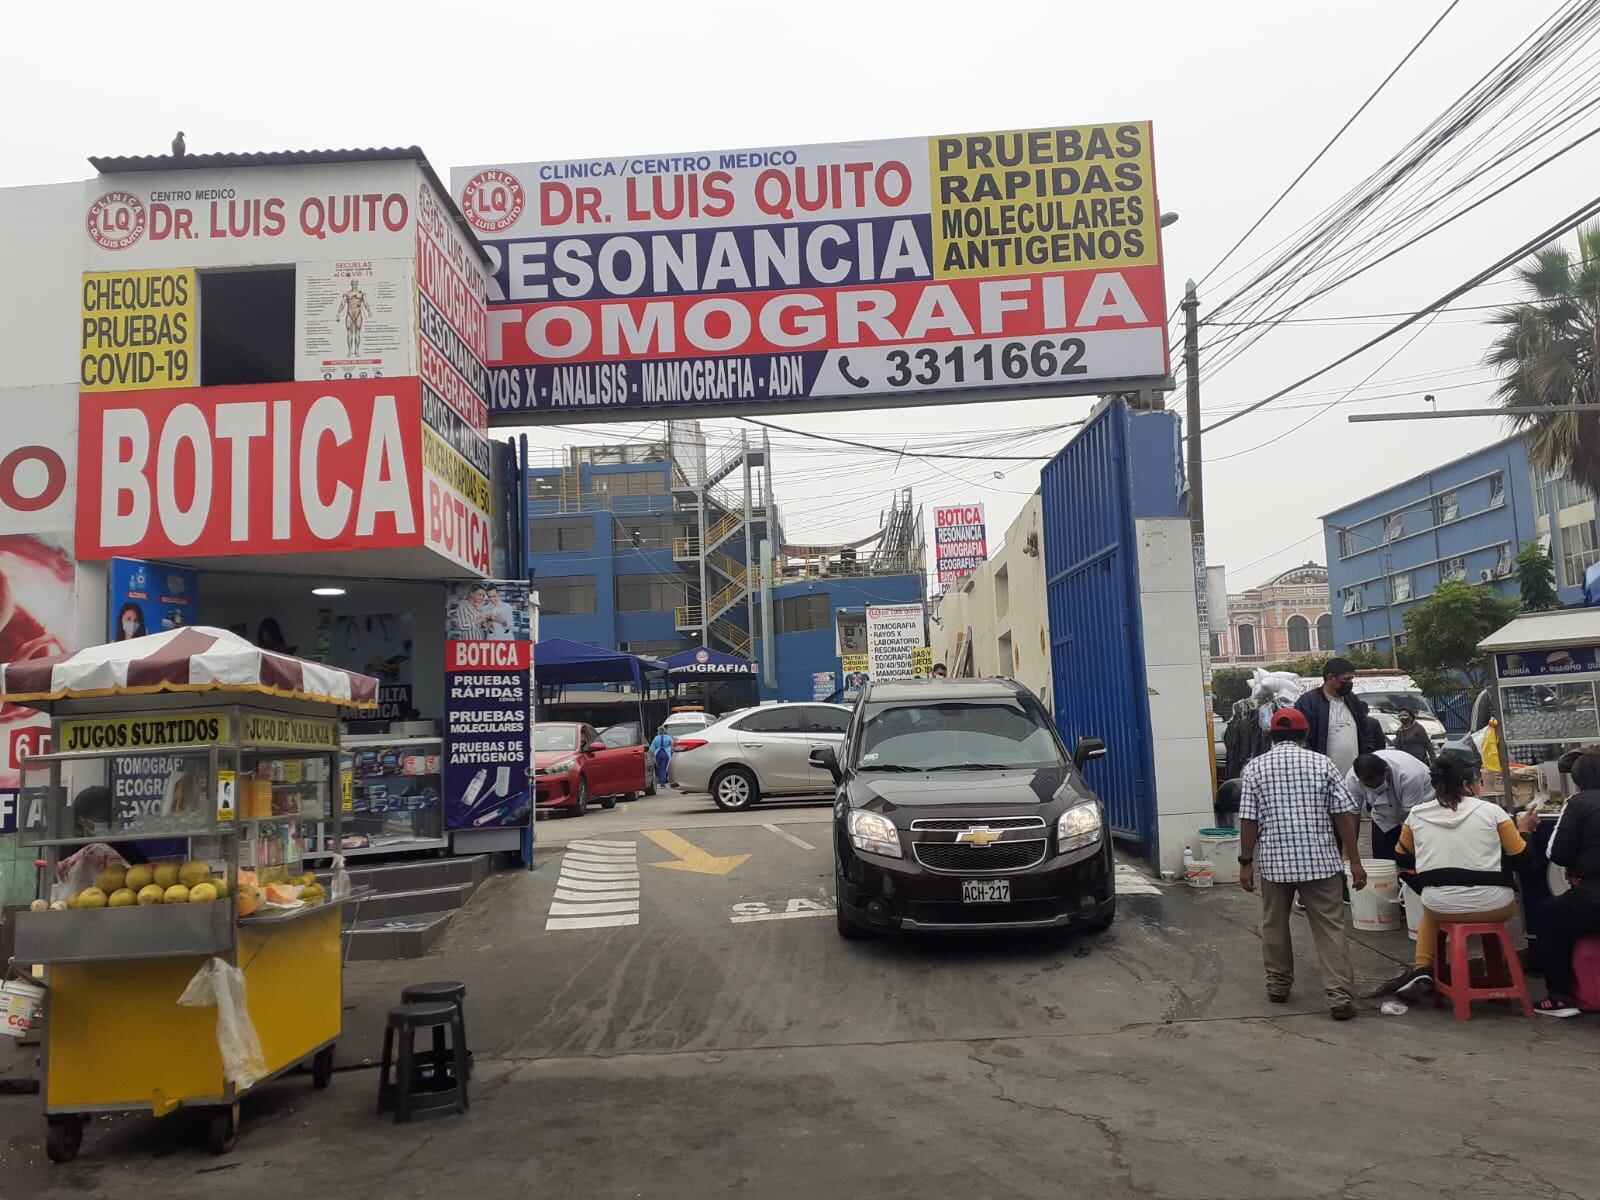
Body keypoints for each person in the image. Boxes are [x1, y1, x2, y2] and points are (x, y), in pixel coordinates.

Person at [1238, 707, 1366, 1019]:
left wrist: (1245, 862)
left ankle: (1279, 985)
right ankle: (1338, 996)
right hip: (1321, 862)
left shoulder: (1255, 768)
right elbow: (1344, 816)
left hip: (1275, 863)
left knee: (1274, 925)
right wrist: (1355, 860)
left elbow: (1248, 820)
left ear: (1271, 734)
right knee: (1331, 928)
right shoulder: (1323, 764)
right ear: (1305, 734)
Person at [1384, 756, 1538, 1000]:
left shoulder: (1416, 815)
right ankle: (1497, 975)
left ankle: (1422, 967)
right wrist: (1524, 830)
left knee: (1432, 906)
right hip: (1495, 905)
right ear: (1467, 785)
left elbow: (1401, 857)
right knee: (1485, 908)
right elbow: (1522, 858)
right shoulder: (1492, 812)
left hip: (1439, 904)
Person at [1529, 749, 1600, 1017]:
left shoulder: (1578, 803)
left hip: (1594, 895)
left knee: (1549, 916)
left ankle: (1559, 997)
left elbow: (1557, 853)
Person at [1294, 657, 1383, 778]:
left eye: (1351, 679)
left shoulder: (1352, 700)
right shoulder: (1309, 702)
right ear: (1331, 678)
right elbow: (1303, 741)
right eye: (1346, 679)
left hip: (1357, 776)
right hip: (1323, 776)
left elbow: (1365, 734)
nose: (1350, 683)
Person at [1346, 749, 1433, 862]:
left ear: (1386, 772)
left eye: (1378, 785)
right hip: (1383, 815)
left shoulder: (1410, 774)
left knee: (1411, 858)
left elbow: (1411, 818)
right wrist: (1348, 855)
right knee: (1382, 859)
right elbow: (1352, 816)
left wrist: (1406, 849)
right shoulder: (1352, 779)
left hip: (1419, 809)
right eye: (1370, 787)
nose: (1375, 789)